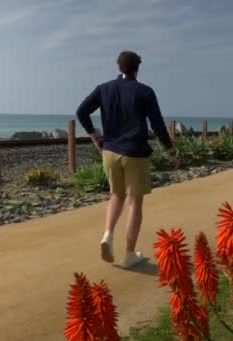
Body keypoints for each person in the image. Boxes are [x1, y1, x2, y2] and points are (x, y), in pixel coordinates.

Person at [75, 50, 177, 269]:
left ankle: (108, 236)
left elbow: (82, 111)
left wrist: (95, 136)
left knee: (116, 195)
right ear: (137, 68)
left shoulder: (103, 89)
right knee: (135, 202)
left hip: (109, 151)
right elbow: (157, 124)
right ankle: (130, 254)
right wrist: (170, 150)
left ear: (118, 67)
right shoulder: (145, 92)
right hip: (135, 153)